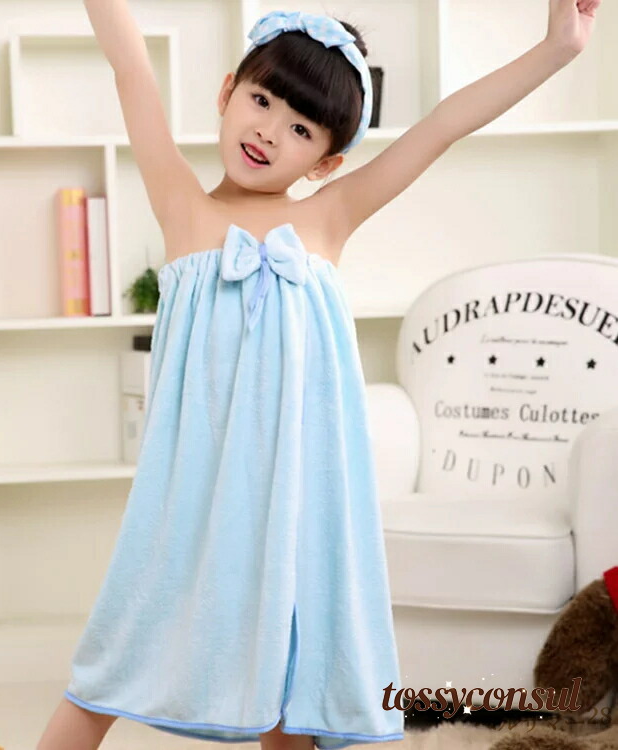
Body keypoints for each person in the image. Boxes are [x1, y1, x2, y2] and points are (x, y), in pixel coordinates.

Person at [36, 2, 600, 750]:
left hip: (301, 499)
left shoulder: (330, 216)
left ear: (327, 162)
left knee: (294, 679)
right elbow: (131, 66)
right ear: (227, 91)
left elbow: (442, 126)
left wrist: (558, 47)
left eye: (302, 129)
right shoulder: (182, 207)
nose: (270, 131)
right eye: (261, 100)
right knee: (115, 657)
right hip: (195, 496)